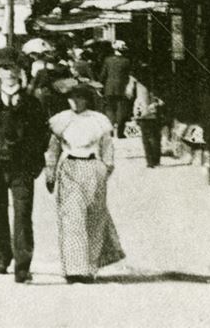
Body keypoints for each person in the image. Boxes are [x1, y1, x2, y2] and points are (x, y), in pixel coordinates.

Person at [0, 48, 49, 284]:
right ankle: (3, 258)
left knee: (23, 216)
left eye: (13, 68)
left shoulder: (32, 104)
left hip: (21, 169)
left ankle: (23, 268)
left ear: (20, 71)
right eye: (4, 68)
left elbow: (42, 135)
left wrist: (34, 164)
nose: (9, 73)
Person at [45, 81, 125, 284]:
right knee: (72, 218)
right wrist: (50, 173)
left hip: (93, 168)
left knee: (94, 217)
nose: (75, 102)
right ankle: (73, 268)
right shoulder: (61, 121)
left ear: (87, 99)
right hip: (70, 168)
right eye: (71, 98)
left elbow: (107, 147)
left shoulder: (99, 120)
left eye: (79, 97)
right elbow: (53, 150)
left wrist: (107, 167)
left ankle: (90, 268)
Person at [132, 64, 165, 168]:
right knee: (156, 136)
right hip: (154, 112)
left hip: (142, 112)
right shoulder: (157, 83)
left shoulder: (137, 84)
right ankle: (156, 159)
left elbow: (130, 96)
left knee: (146, 138)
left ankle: (149, 161)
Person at [99, 40, 132, 138]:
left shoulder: (107, 60)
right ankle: (120, 133)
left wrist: (101, 86)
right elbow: (128, 76)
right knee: (121, 110)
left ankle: (110, 131)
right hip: (122, 88)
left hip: (109, 88)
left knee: (109, 110)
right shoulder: (126, 61)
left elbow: (103, 75)